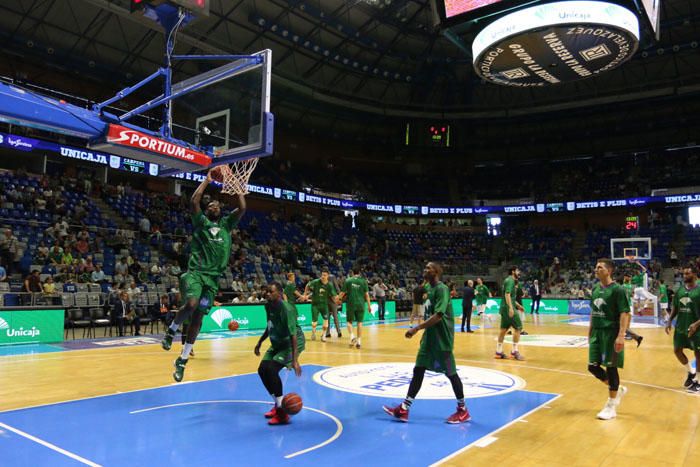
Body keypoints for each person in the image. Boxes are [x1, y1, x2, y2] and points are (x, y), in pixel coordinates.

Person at [160, 168, 246, 382]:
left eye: (217, 205)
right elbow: (194, 201)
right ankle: (172, 329)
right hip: (196, 273)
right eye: (211, 205)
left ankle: (182, 359)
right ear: (207, 211)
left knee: (198, 318)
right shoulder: (201, 223)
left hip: (213, 279)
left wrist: (237, 187)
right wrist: (207, 180)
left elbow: (243, 207)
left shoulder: (226, 224)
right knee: (190, 304)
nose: (214, 206)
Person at [382, 262, 471, 424]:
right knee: (418, 370)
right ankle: (404, 408)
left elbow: (438, 315)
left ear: (436, 272)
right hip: (429, 339)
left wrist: (416, 329)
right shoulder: (428, 289)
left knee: (451, 373)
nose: (425, 270)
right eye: (424, 268)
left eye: (428, 268)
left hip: (442, 340)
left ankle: (463, 410)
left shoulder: (442, 289)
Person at [254, 282, 304, 425]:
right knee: (262, 370)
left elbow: (293, 335)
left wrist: (294, 360)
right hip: (277, 342)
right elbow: (270, 325)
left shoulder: (287, 309)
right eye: (266, 291)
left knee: (271, 369)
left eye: (271, 291)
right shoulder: (267, 306)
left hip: (290, 343)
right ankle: (278, 404)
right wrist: (260, 342)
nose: (267, 294)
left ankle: (282, 414)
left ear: (280, 293)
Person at [587, 258, 630, 420]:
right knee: (592, 367)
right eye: (596, 267)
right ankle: (617, 389)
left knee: (611, 368)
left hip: (611, 333)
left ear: (609, 270)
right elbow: (593, 311)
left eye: (599, 267)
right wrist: (590, 330)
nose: (596, 269)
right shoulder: (596, 289)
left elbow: (624, 313)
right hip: (597, 333)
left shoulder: (618, 290)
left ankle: (611, 406)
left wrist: (621, 335)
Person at [665, 264, 700, 393]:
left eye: (688, 274)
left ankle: (697, 381)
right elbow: (675, 307)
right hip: (681, 326)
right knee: (677, 350)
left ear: (695, 275)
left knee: (698, 354)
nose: (684, 276)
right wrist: (669, 321)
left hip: (697, 328)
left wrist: (696, 324)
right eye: (684, 274)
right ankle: (690, 372)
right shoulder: (680, 290)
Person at [495, 266, 525, 360]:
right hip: (508, 309)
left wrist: (518, 305)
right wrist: (511, 308)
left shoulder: (509, 281)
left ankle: (498, 352)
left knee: (503, 329)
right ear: (513, 272)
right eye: (517, 270)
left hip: (505, 308)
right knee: (518, 328)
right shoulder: (510, 281)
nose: (519, 272)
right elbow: (507, 294)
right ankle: (514, 351)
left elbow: (510, 297)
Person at [337, 267, 371, 349]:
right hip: (361, 304)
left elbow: (342, 293)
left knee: (349, 322)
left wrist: (338, 299)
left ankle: (352, 337)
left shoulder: (348, 280)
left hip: (351, 304)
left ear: (352, 272)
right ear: (359, 272)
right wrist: (369, 306)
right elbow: (367, 295)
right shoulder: (364, 281)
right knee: (359, 323)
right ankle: (359, 342)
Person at [303, 268, 338, 342]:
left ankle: (324, 335)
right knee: (314, 323)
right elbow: (307, 286)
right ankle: (313, 332)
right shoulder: (316, 282)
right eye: (322, 275)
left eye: (324, 275)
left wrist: (337, 301)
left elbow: (333, 295)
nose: (323, 276)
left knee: (326, 321)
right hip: (315, 305)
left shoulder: (330, 285)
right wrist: (305, 295)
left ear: (327, 276)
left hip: (324, 305)